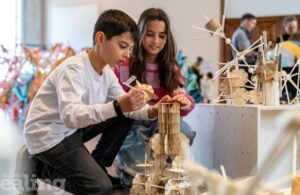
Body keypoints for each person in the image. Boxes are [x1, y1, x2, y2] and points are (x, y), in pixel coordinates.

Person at [15, 9, 167, 195]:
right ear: (100, 38)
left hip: (69, 130)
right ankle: (34, 166)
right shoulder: (74, 69)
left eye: (129, 48)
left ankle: (97, 166)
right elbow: (71, 116)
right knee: (99, 188)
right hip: (47, 135)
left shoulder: (107, 72)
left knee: (124, 115)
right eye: (122, 46)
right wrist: (118, 106)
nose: (127, 54)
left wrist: (152, 110)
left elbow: (125, 106)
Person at [114, 8, 196, 187]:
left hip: (160, 122)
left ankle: (164, 171)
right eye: (150, 34)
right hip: (130, 123)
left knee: (185, 132)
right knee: (137, 180)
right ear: (140, 33)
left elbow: (182, 96)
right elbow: (114, 100)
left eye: (162, 36)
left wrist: (184, 102)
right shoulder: (124, 63)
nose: (156, 41)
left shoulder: (171, 67)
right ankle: (125, 167)